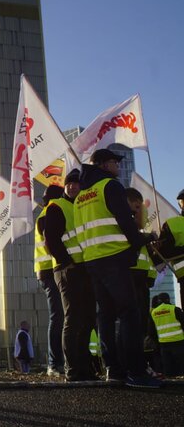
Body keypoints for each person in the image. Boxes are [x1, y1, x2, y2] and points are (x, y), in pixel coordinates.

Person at [73, 148, 161, 388]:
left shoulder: (81, 195)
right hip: (114, 258)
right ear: (103, 164)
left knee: (106, 316)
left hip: (93, 261)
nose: (118, 166)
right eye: (114, 162)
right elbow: (125, 222)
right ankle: (136, 371)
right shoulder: (110, 187)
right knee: (130, 313)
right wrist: (144, 238)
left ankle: (114, 369)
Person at [45, 169, 96, 382]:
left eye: (76, 183)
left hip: (87, 269)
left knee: (88, 319)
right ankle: (72, 368)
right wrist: (68, 262)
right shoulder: (57, 206)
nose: (73, 186)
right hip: (68, 270)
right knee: (72, 318)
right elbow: (51, 241)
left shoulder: (84, 206)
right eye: (69, 183)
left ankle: (85, 367)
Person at [34, 184, 65, 377]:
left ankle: (57, 362)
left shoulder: (45, 212)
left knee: (59, 316)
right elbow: (50, 242)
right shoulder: (49, 213)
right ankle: (55, 363)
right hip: (50, 269)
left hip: (47, 269)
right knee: (58, 316)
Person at [124, 188, 157, 346]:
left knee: (143, 317)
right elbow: (134, 242)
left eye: (141, 208)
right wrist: (148, 237)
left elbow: (149, 262)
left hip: (142, 280)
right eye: (137, 208)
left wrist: (151, 276)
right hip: (130, 276)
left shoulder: (142, 235)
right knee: (133, 318)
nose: (140, 212)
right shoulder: (127, 227)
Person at [149, 293, 184, 377]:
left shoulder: (154, 312)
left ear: (158, 300)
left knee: (167, 364)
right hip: (178, 341)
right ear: (168, 299)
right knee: (180, 363)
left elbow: (151, 331)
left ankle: (170, 381)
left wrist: (156, 343)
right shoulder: (175, 309)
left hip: (163, 343)